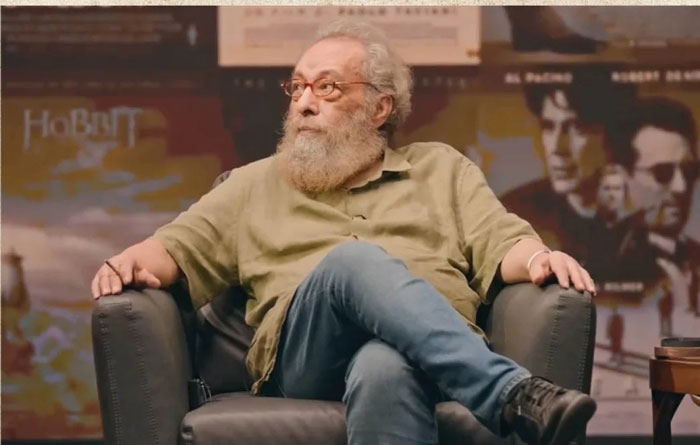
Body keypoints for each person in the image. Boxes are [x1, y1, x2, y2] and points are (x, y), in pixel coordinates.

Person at [91, 21, 597, 445]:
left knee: (385, 366)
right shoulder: (253, 184)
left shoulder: (442, 170)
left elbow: (501, 241)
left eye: (327, 87)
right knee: (353, 262)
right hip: (306, 359)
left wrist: (540, 259)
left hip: (427, 357)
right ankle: (509, 394)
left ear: (380, 108)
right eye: (297, 87)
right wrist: (130, 261)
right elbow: (175, 249)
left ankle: (495, 387)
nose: (304, 103)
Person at [500, 76, 632, 263]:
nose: (557, 148)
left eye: (576, 128)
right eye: (548, 127)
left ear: (611, 136)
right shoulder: (515, 214)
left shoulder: (644, 214)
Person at [606, 97, 700, 312]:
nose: (680, 187)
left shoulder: (695, 255)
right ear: (622, 177)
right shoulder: (599, 261)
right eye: (662, 172)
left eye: (690, 171)